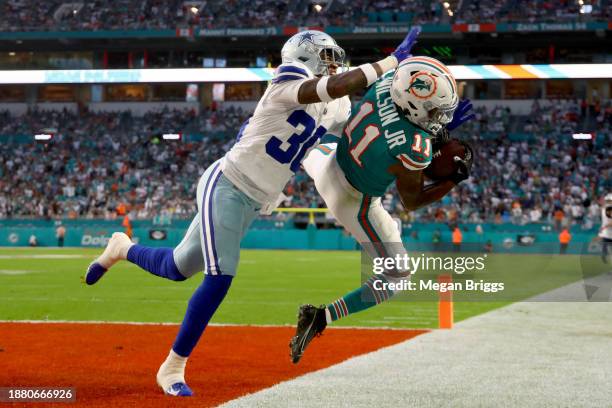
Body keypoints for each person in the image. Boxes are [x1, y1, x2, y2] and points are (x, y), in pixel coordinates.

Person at [84, 28, 422, 396]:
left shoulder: (338, 104)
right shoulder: (288, 78)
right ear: (304, 57)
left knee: (178, 267)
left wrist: (404, 109)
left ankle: (122, 248)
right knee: (219, 277)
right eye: (326, 57)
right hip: (228, 184)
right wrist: (388, 63)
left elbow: (358, 127)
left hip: (256, 199)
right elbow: (327, 88)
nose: (334, 64)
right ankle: (172, 368)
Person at [290, 55, 474, 363]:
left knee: (304, 144)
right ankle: (320, 318)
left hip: (330, 161)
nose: (438, 117)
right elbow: (411, 200)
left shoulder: (386, 83)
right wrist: (453, 179)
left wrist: (431, 132)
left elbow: (398, 129)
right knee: (397, 276)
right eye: (432, 109)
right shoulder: (414, 144)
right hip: (353, 200)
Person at [598, 193, 612, 263]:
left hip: (606, 232)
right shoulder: (608, 209)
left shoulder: (604, 209)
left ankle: (604, 253)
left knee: (605, 245)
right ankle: (604, 253)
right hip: (608, 232)